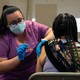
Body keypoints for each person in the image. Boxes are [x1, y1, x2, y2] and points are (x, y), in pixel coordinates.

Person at [0, 5, 54, 80]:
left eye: (20, 20)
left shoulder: (32, 27)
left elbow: (51, 31)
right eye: (13, 23)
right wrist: (18, 58)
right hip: (11, 77)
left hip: (33, 76)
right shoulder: (4, 38)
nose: (18, 24)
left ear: (23, 18)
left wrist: (44, 41)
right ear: (7, 25)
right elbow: (1, 67)